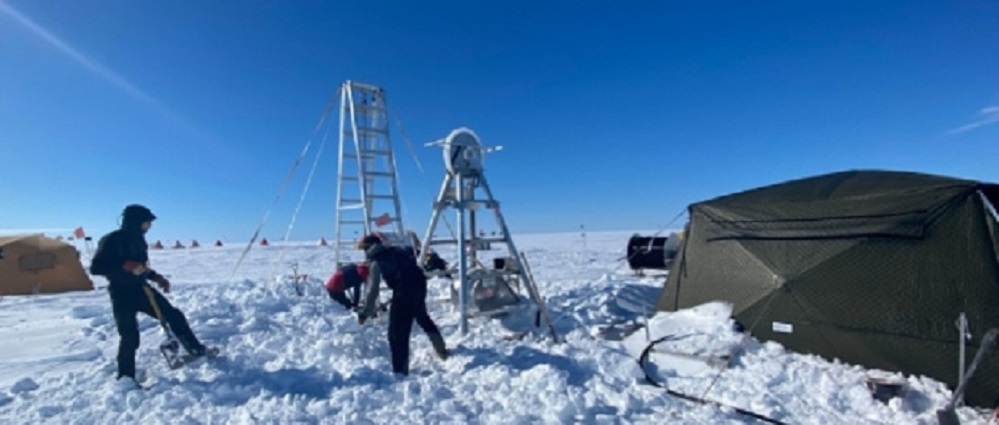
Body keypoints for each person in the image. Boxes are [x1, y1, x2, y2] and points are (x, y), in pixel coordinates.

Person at [90, 204, 215, 385]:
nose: (149, 227)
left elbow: (140, 268)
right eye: (147, 223)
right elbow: (96, 268)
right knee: (129, 336)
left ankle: (196, 350)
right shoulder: (111, 240)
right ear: (136, 222)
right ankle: (126, 378)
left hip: (141, 290)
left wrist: (156, 277)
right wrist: (123, 265)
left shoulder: (139, 240)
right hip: (120, 293)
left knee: (173, 315)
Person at [358, 234, 448, 375]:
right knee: (422, 318)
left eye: (363, 249)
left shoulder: (377, 261)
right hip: (419, 285)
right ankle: (441, 350)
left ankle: (400, 370)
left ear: (369, 248)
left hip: (404, 291)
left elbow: (372, 289)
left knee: (397, 332)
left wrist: (365, 311)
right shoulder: (396, 250)